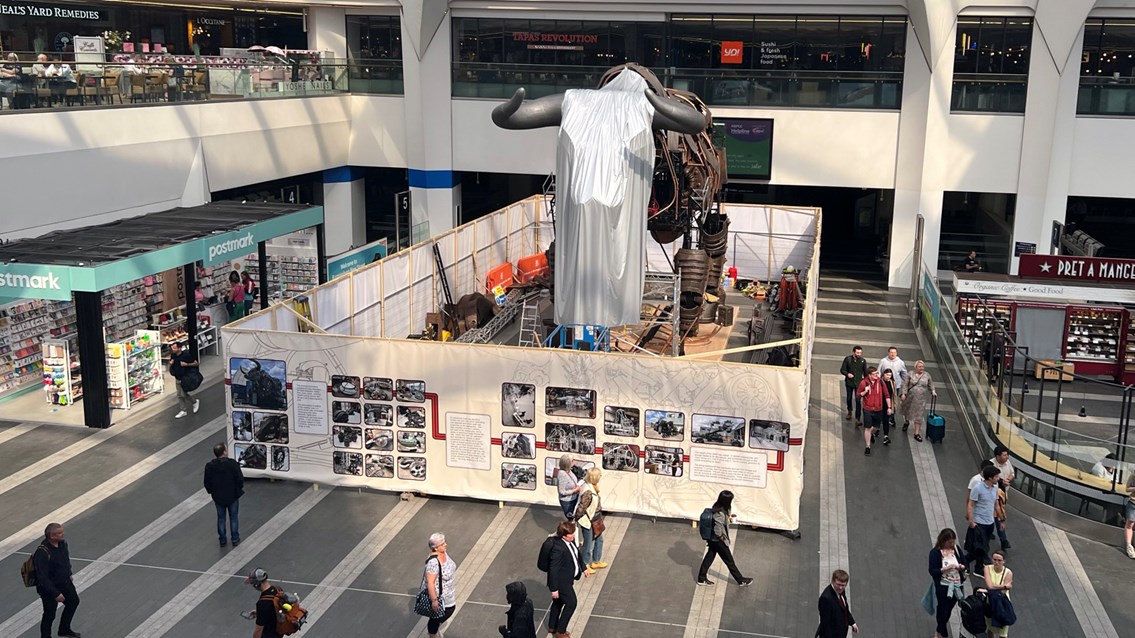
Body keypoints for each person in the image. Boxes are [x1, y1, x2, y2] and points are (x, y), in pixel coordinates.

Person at [696, 490, 753, 587]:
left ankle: (701, 578)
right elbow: (717, 528)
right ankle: (740, 580)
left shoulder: (717, 507)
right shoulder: (720, 513)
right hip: (718, 541)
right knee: (729, 561)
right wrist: (721, 538)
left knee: (709, 557)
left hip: (713, 540)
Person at [33, 523, 81, 638]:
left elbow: (65, 560)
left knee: (73, 601)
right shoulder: (42, 553)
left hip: (65, 582)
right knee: (50, 614)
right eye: (59, 533)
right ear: (52, 536)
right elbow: (42, 577)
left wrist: (68, 574)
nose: (62, 534)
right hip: (49, 588)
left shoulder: (62, 544)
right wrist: (55, 593)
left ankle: (64, 628)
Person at [547, 521, 588, 638]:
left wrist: (583, 567)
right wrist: (554, 588)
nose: (574, 536)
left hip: (568, 578)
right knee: (571, 603)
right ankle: (561, 631)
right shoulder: (558, 549)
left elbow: (576, 554)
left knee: (558, 602)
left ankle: (552, 626)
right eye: (571, 534)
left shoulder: (570, 541)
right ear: (564, 535)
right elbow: (553, 569)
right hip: (561, 582)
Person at [203, 442, 244, 547]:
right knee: (233, 517)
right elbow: (239, 479)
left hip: (218, 496)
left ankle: (222, 539)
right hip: (232, 495)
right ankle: (235, 538)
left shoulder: (210, 466)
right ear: (224, 452)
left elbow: (207, 482)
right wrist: (238, 489)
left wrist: (212, 492)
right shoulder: (233, 464)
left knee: (221, 518)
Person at [929, 528, 967, 638]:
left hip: (956, 585)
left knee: (948, 609)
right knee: (942, 608)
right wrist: (945, 569)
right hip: (943, 586)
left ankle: (939, 630)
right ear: (943, 541)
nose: (952, 544)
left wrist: (961, 567)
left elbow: (964, 563)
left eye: (953, 541)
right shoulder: (935, 553)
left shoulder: (956, 549)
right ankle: (942, 632)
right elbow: (932, 571)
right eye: (949, 542)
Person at [422, 532, 457, 637]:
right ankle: (432, 633)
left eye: (444, 542)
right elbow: (430, 583)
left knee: (444, 613)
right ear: (435, 548)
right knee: (438, 615)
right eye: (442, 544)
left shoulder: (444, 553)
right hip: (439, 596)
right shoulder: (433, 563)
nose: (445, 544)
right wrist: (434, 601)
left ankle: (434, 630)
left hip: (448, 593)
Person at [967, 465, 1001, 570]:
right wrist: (971, 521)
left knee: (983, 548)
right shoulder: (978, 488)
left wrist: (1001, 519)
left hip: (989, 522)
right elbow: (970, 504)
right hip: (979, 522)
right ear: (990, 478)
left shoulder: (995, 488)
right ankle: (968, 563)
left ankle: (975, 565)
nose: (998, 478)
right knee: (980, 548)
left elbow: (996, 504)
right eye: (996, 477)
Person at [576, 467, 606, 574]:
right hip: (588, 520)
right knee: (589, 544)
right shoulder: (588, 491)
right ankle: (585, 564)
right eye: (599, 476)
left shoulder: (592, 487)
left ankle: (596, 561)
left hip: (595, 518)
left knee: (599, 540)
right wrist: (577, 518)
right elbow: (581, 507)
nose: (600, 477)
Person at [857, 367, 892, 456]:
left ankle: (870, 434)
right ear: (869, 375)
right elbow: (858, 395)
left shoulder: (880, 382)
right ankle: (867, 446)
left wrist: (889, 407)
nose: (877, 375)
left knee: (876, 427)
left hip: (878, 409)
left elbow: (887, 395)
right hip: (868, 409)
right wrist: (865, 391)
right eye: (875, 374)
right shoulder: (863, 383)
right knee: (867, 428)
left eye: (877, 373)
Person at [902, 360, 937, 442]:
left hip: (921, 399)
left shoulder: (927, 375)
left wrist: (933, 391)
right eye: (920, 367)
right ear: (916, 367)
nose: (922, 368)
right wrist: (904, 393)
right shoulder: (910, 374)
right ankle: (906, 422)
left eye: (923, 367)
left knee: (918, 416)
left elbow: (931, 384)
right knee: (907, 411)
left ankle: (916, 433)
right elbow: (905, 384)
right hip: (910, 397)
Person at [816, 569, 858, 637]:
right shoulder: (826, 599)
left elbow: (844, 608)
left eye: (843, 585)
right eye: (838, 584)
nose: (840, 587)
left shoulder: (840, 591)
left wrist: (852, 623)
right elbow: (826, 625)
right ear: (832, 581)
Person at [990, 446, 1016, 549]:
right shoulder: (991, 464)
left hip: (1004, 494)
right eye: (1004, 455)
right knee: (997, 518)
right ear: (998, 456)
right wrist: (1001, 481)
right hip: (996, 495)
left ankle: (992, 532)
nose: (1007, 457)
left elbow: (1012, 473)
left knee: (995, 516)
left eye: (1007, 455)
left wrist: (1008, 479)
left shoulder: (1007, 463)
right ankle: (1003, 540)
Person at [244, 568, 282, 638]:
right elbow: (275, 609)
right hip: (279, 632)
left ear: (257, 584)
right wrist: (259, 613)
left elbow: (258, 630)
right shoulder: (278, 589)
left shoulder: (262, 603)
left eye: (252, 583)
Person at [984, 550, 1014, 637]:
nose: (996, 562)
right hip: (991, 601)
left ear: (1004, 561)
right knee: (990, 626)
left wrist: (993, 587)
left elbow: (992, 587)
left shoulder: (1008, 573)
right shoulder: (987, 568)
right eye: (994, 559)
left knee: (1003, 630)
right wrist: (1004, 586)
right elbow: (989, 586)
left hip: (1002, 603)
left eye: (999, 560)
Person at [168, 340, 200, 419]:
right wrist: (171, 364)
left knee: (183, 394)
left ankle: (194, 402)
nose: (173, 350)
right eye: (172, 348)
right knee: (179, 395)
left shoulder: (186, 355)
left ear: (179, 348)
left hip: (185, 377)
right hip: (177, 377)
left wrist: (187, 364)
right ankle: (183, 410)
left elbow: (196, 363)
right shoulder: (173, 355)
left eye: (175, 348)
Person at [839, 345, 869, 426]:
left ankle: (857, 418)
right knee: (849, 398)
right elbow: (842, 370)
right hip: (849, 382)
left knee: (858, 400)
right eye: (857, 352)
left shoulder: (863, 361)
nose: (859, 354)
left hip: (859, 384)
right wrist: (847, 374)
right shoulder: (848, 359)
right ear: (854, 352)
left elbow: (865, 373)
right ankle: (849, 410)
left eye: (860, 352)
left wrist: (867, 383)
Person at [878, 347, 908, 419]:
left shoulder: (900, 362)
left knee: (893, 400)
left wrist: (907, 383)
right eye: (891, 352)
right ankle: (882, 414)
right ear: (888, 353)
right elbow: (879, 371)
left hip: (895, 385)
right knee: (882, 399)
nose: (893, 354)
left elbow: (904, 374)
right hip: (883, 384)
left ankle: (892, 417)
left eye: (894, 352)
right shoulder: (883, 361)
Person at [556, 454, 581, 520]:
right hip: (567, 501)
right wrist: (574, 490)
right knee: (571, 519)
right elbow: (562, 491)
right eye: (572, 461)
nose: (574, 461)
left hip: (573, 498)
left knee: (575, 517)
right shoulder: (562, 474)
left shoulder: (569, 470)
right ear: (568, 463)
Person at [880, 369, 898, 444]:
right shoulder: (879, 382)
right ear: (883, 374)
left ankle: (886, 436)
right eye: (887, 375)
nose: (888, 376)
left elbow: (894, 394)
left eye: (890, 375)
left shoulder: (892, 383)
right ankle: (876, 431)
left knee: (886, 420)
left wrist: (893, 405)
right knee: (878, 419)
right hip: (879, 403)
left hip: (888, 404)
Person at [1125, 469, 1135, 559]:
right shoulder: (1133, 476)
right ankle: (1129, 545)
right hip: (1133, 503)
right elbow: (1127, 489)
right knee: (1130, 524)